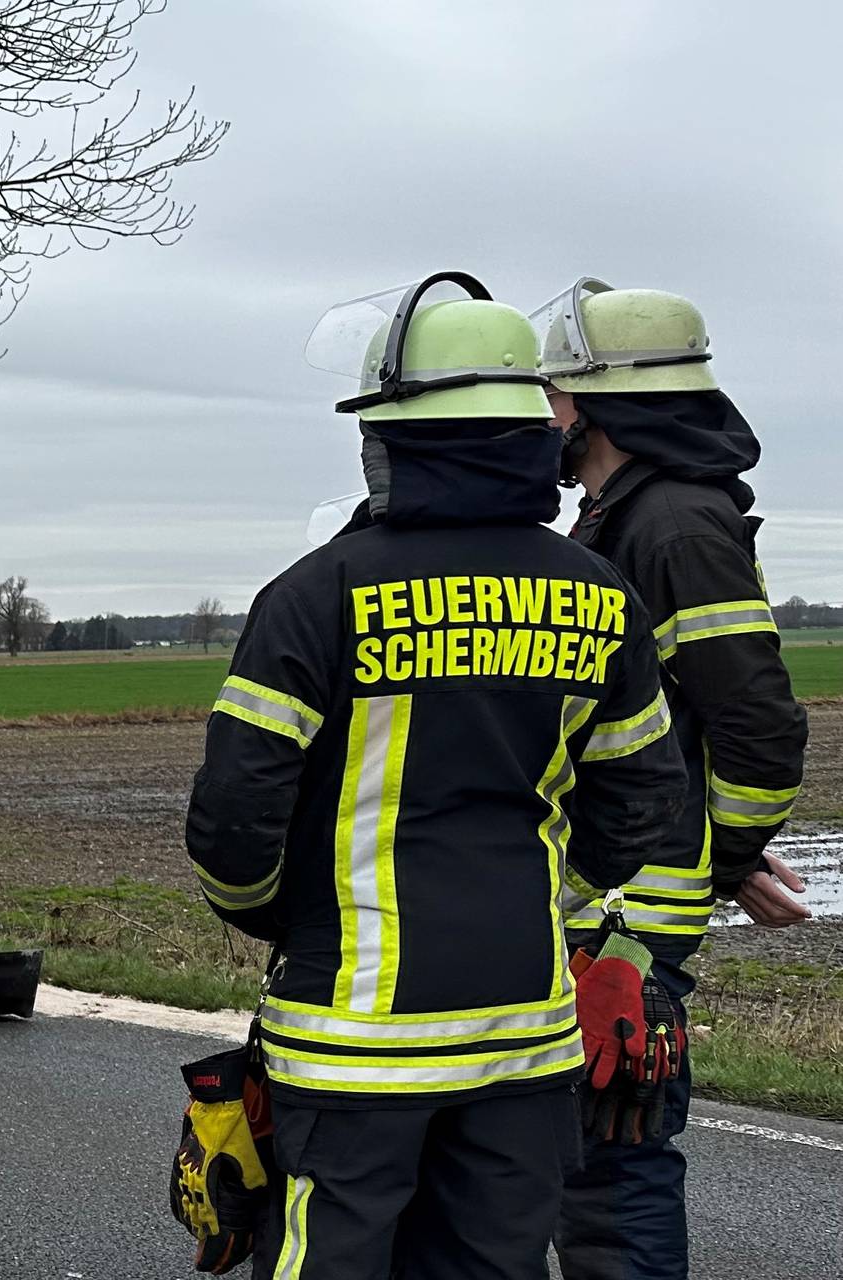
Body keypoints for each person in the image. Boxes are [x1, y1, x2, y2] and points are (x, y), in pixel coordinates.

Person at [185, 273, 686, 1279]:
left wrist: (287, 919)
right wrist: (544, 894)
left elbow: (233, 822)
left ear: (395, 438)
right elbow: (642, 798)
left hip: (352, 1036)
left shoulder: (315, 593)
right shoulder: (599, 594)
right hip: (525, 1033)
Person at [533, 281, 815, 1278]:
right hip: (604, 894)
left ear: (600, 403)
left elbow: (754, 723)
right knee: (577, 1159)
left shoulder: (672, 524)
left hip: (627, 914)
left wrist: (724, 855)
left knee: (609, 1168)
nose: (544, 415)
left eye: (555, 395)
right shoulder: (625, 515)